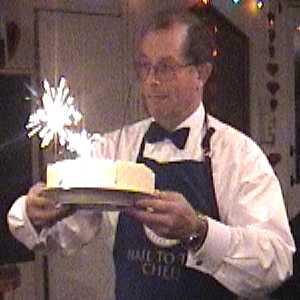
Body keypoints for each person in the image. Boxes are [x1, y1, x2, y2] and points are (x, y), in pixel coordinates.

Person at [8, 8, 295, 300]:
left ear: (201, 73)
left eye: (166, 67)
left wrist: (199, 231)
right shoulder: (115, 149)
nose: (151, 81)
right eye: (144, 66)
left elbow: (276, 264)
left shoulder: (239, 156)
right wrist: (32, 215)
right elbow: (64, 235)